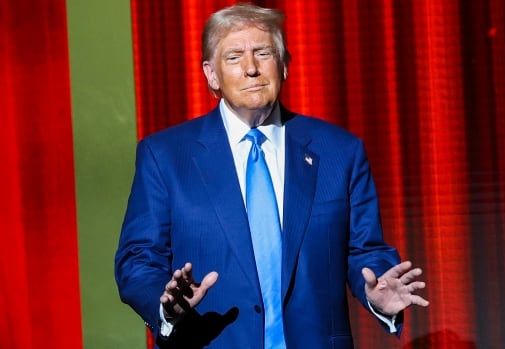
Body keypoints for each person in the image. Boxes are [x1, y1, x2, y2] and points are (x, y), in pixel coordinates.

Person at [115, 3, 428, 349]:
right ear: (211, 75)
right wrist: (165, 306)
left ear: (283, 65)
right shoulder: (165, 157)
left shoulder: (339, 152)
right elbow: (138, 260)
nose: (251, 68)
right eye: (234, 57)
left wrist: (378, 296)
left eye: (262, 53)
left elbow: (364, 250)